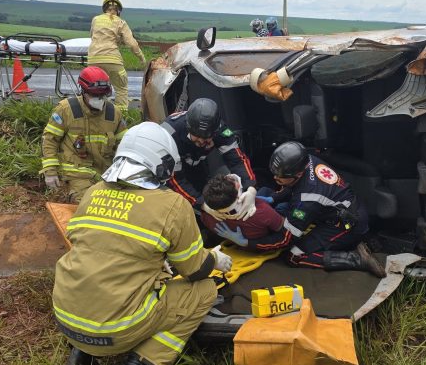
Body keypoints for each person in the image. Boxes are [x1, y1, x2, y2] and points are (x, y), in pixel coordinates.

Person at [52, 122, 232, 365]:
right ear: (162, 165)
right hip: (116, 329)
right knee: (204, 291)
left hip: (65, 318)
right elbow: (194, 269)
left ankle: (79, 363)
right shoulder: (173, 205)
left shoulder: (93, 192)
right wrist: (216, 259)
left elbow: (104, 249)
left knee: (103, 273)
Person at [214, 141, 386, 277]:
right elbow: (293, 187)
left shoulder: (306, 201)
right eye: (274, 173)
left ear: (296, 175)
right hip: (339, 205)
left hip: (346, 223)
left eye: (280, 177)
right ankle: (363, 239)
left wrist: (248, 243)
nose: (275, 178)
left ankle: (357, 259)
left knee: (294, 255)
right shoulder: (305, 159)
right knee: (280, 202)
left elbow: (285, 238)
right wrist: (272, 197)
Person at [41, 66, 127, 203]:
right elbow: (50, 140)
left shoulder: (114, 113)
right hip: (77, 173)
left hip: (106, 175)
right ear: (83, 91)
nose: (99, 99)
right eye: (94, 95)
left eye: (102, 96)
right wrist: (50, 172)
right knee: (87, 203)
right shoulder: (66, 110)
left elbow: (124, 146)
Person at [161, 98, 257, 219]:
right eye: (197, 136)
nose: (201, 141)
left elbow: (237, 159)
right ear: (188, 127)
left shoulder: (220, 129)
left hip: (198, 163)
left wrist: (251, 187)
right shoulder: (169, 133)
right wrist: (201, 204)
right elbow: (174, 179)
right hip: (170, 169)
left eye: (206, 138)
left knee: (203, 186)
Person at [87, 0, 146, 110]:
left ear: (104, 8)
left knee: (96, 89)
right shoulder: (120, 22)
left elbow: (92, 36)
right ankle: (122, 117)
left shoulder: (96, 19)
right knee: (121, 89)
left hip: (93, 59)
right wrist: (141, 57)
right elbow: (132, 43)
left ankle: (95, 112)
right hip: (112, 60)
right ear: (118, 10)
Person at [201, 174, 284, 241]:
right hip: (262, 246)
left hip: (238, 247)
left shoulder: (207, 217)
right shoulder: (263, 210)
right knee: (267, 191)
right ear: (238, 197)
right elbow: (285, 234)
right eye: (235, 184)